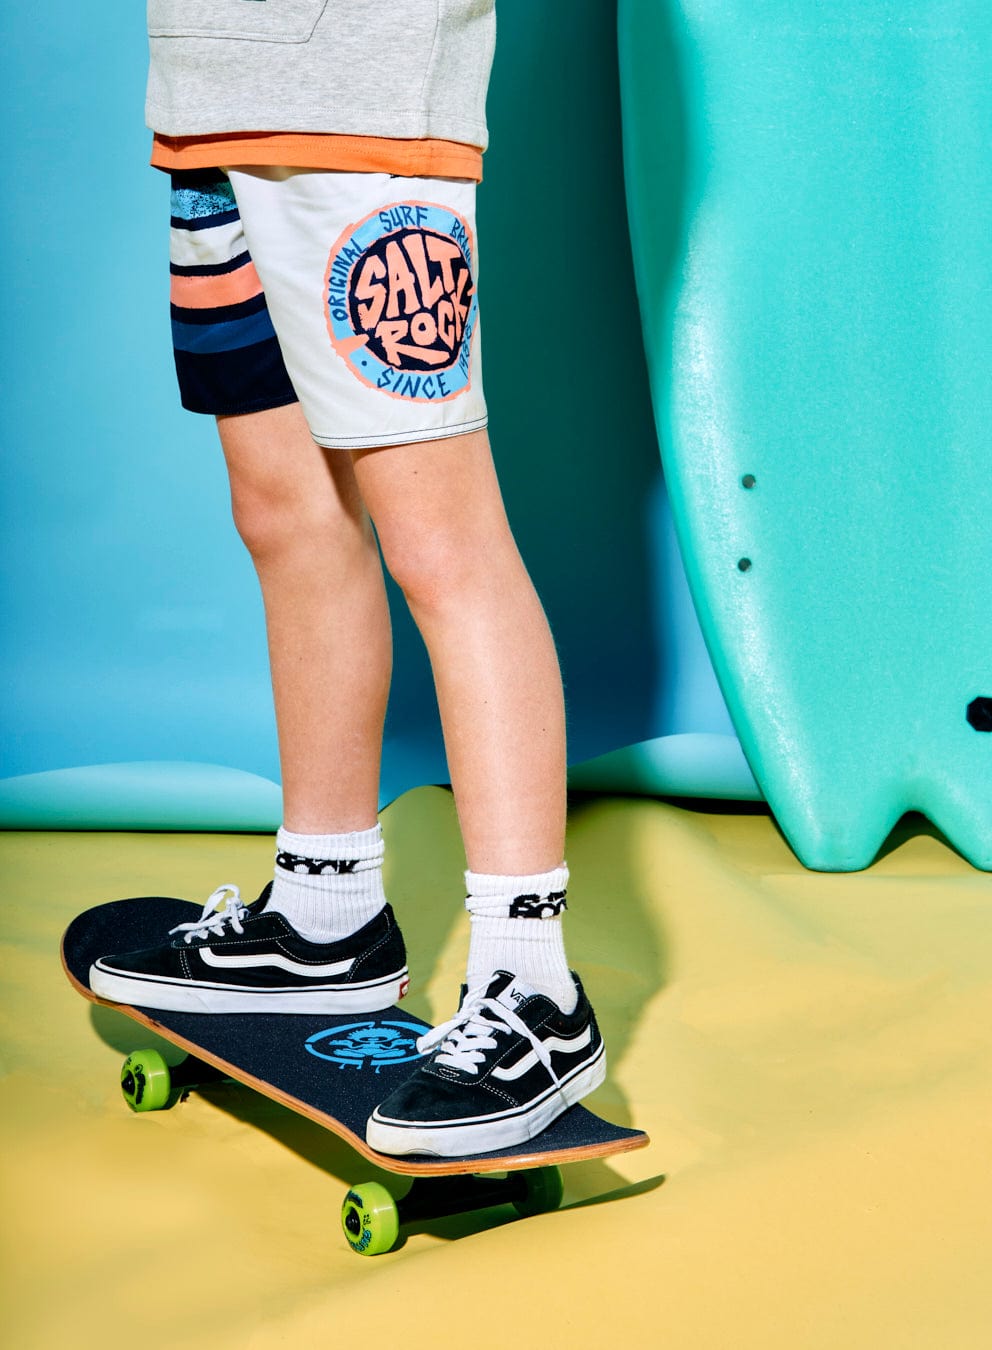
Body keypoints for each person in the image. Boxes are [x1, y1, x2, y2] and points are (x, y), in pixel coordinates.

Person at [89, 0, 605, 1158]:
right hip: (211, 96)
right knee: (285, 515)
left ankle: (536, 992)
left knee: (443, 543)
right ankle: (325, 915)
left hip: (360, 103)